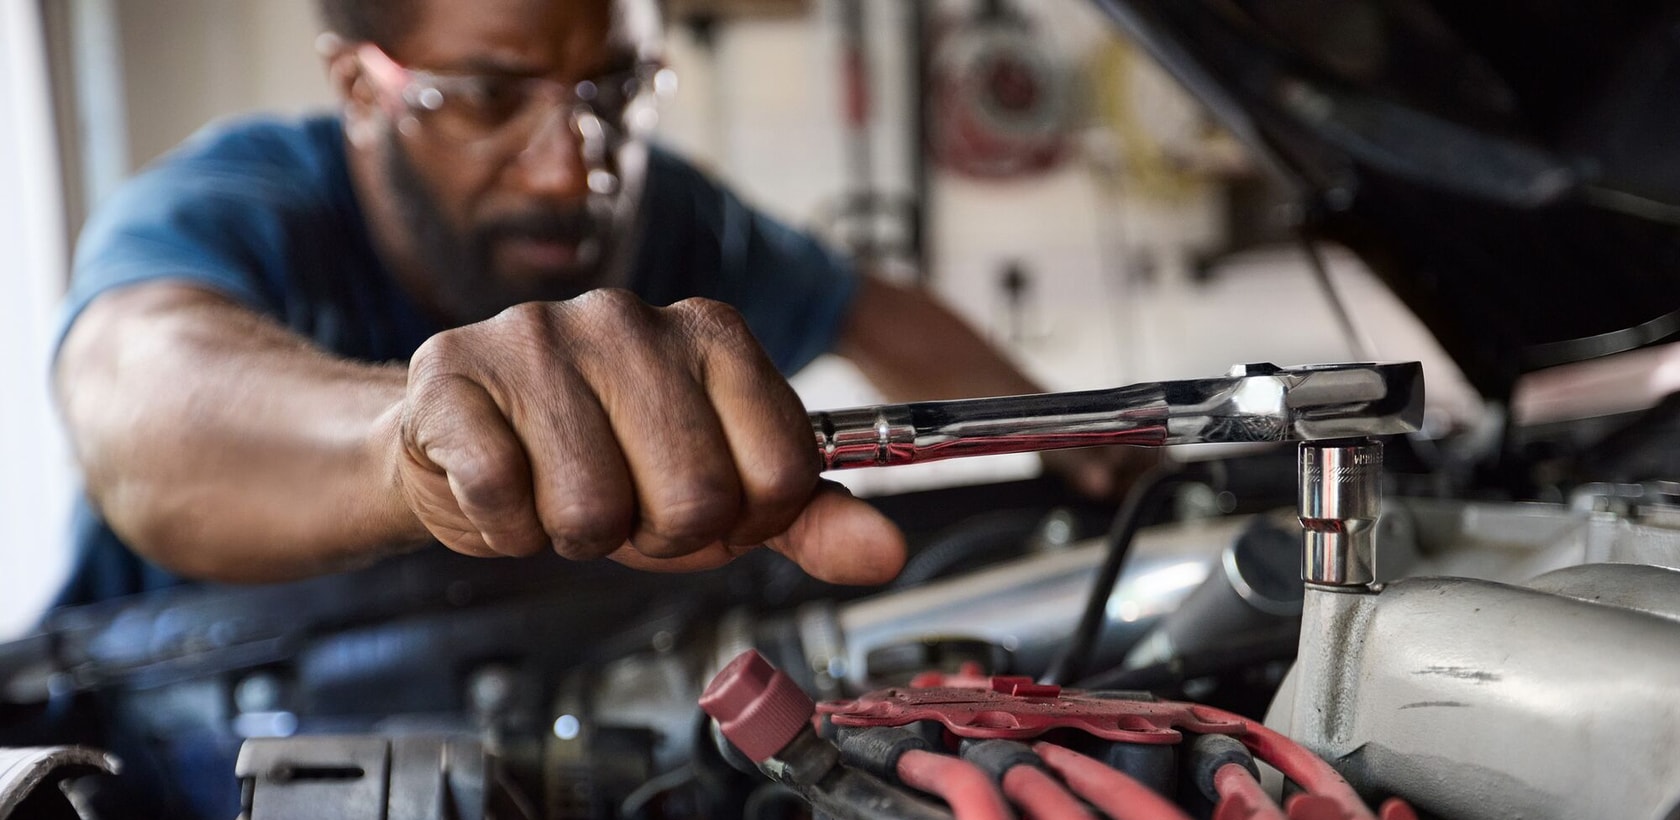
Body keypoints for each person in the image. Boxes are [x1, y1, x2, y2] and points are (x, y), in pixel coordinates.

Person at [51, 0, 1146, 608]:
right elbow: (138, 404)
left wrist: (1088, 445)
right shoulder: (239, 200)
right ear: (358, 86)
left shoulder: (668, 220)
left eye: (612, 95)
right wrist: (410, 447)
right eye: (488, 97)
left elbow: (871, 307)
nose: (573, 171)